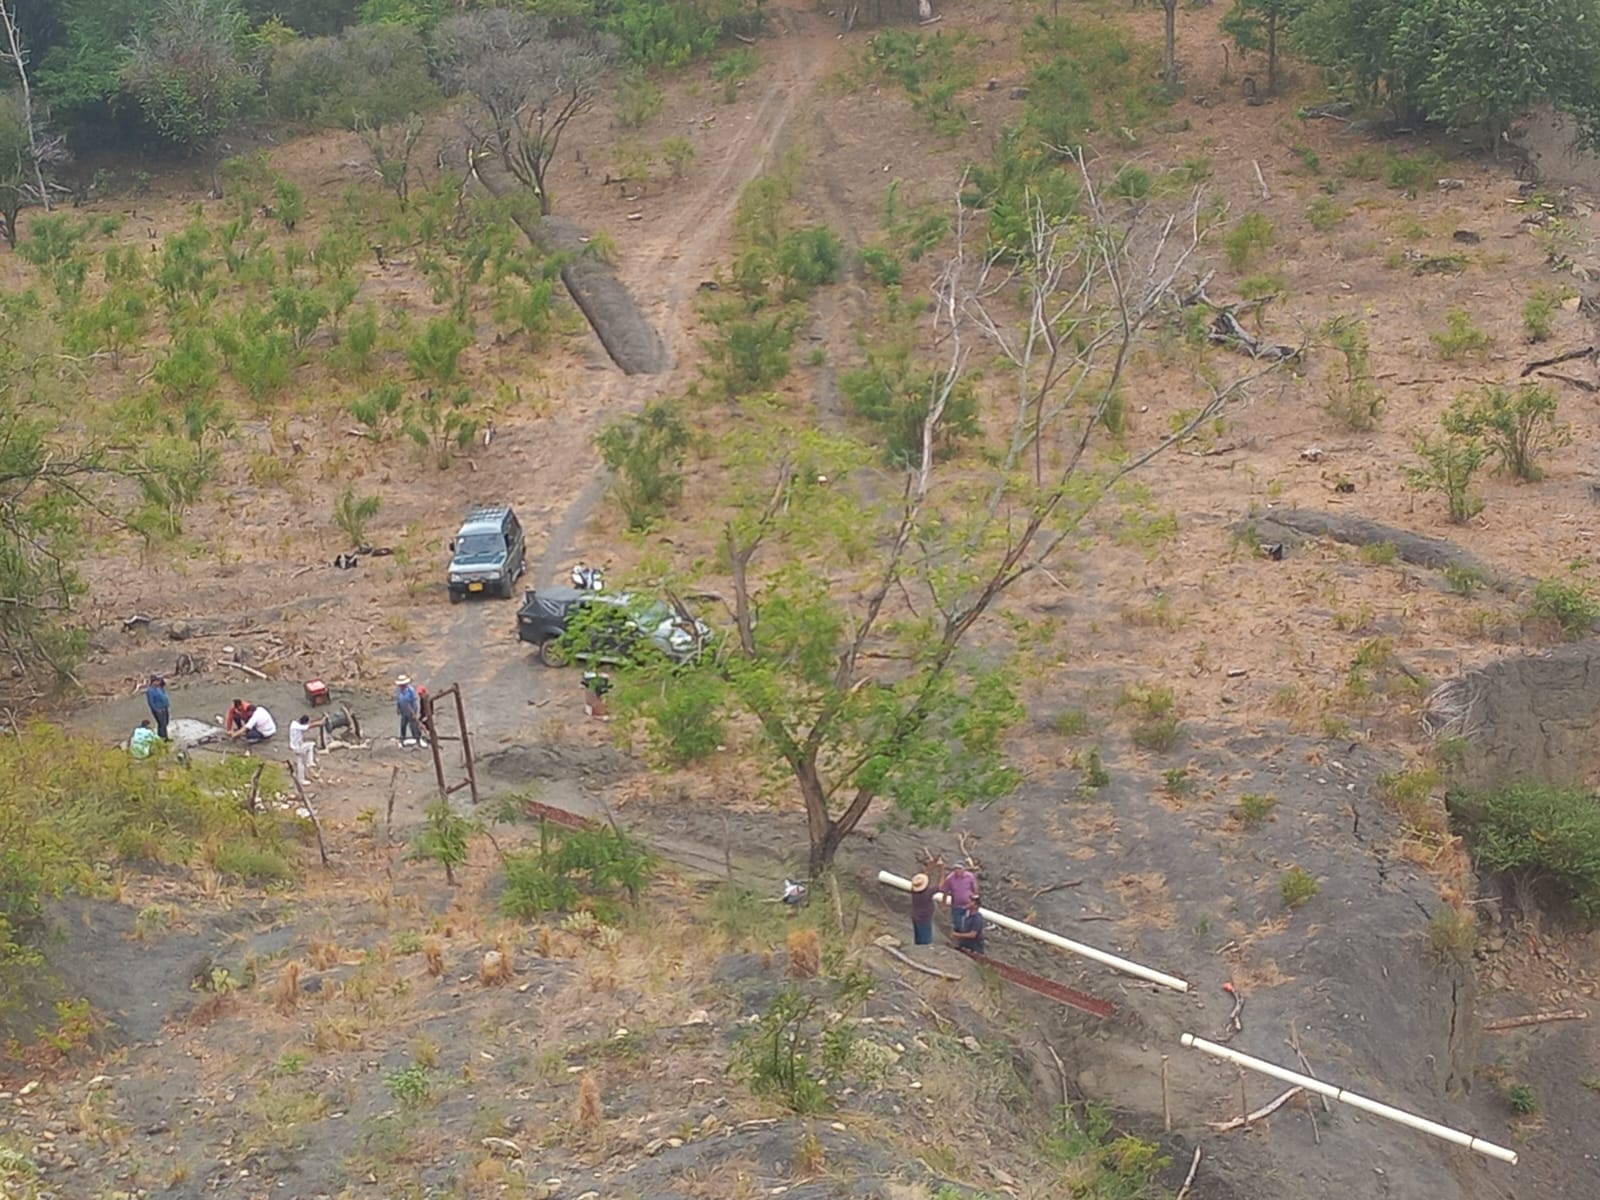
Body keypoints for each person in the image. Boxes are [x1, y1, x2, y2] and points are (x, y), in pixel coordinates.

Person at [941, 859, 978, 934]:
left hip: (968, 906)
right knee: (957, 924)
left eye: (959, 869)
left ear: (964, 869)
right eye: (956, 869)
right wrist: (943, 904)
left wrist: (975, 904)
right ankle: (958, 940)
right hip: (956, 906)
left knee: (968, 924)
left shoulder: (970, 877)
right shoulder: (950, 878)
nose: (957, 871)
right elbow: (945, 892)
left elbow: (975, 890)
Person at [287, 713, 323, 786]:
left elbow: (308, 724)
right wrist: (321, 722)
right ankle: (310, 762)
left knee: (300, 763)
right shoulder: (297, 726)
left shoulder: (294, 723)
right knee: (311, 745)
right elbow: (310, 726)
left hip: (295, 747)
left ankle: (301, 780)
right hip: (297, 747)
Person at [909, 869, 936, 946]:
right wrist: (942, 871)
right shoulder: (928, 893)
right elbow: (940, 885)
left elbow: (923, 877)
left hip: (916, 916)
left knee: (918, 938)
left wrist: (930, 866)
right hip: (925, 918)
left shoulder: (914, 891)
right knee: (926, 940)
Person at [396, 675, 423, 746]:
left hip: (411, 711)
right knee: (403, 725)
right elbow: (398, 700)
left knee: (413, 725)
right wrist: (398, 708)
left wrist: (414, 712)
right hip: (403, 712)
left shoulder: (410, 690)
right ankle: (402, 739)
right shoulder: (399, 690)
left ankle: (417, 739)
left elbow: (414, 701)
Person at [145, 675, 170, 741]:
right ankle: (163, 738)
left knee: (166, 722)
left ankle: (164, 737)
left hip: (164, 708)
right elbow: (151, 702)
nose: (159, 682)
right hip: (159, 710)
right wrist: (156, 710)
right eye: (157, 681)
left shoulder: (159, 688)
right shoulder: (150, 691)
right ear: (153, 682)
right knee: (162, 724)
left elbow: (163, 683)